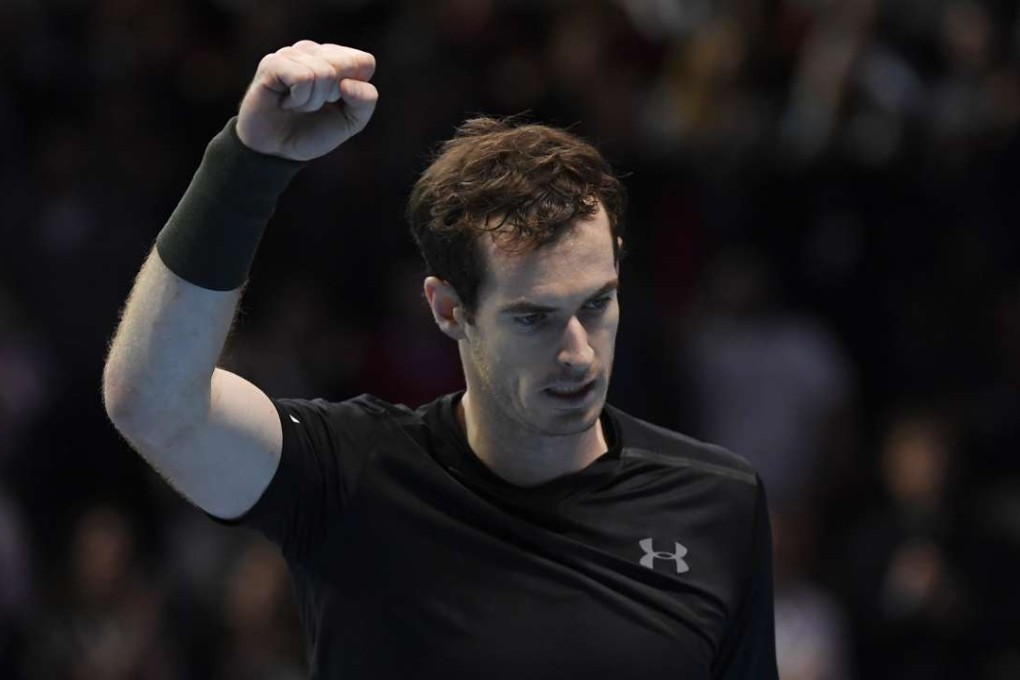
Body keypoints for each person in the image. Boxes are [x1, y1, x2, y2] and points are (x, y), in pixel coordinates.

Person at [102, 40, 778, 679]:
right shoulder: (353, 477)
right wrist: (246, 163)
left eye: (597, 304)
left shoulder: (718, 503)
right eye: (533, 318)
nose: (578, 352)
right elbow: (153, 404)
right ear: (449, 310)